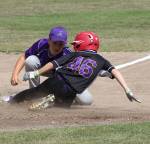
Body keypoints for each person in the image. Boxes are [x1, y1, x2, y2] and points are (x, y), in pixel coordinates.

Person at [5, 31, 140, 109]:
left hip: (57, 80)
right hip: (72, 90)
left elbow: (53, 64)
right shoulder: (102, 61)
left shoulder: (73, 54)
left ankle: (14, 100)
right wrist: (127, 90)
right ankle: (51, 101)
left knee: (34, 92)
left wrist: (35, 73)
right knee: (62, 106)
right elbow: (115, 71)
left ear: (82, 45)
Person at [5, 27, 93, 105]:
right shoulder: (41, 44)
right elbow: (24, 56)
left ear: (65, 44)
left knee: (87, 100)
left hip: (58, 77)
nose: (57, 46)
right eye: (55, 43)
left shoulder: (67, 54)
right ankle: (33, 95)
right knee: (31, 60)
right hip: (40, 70)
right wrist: (15, 75)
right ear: (49, 40)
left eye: (61, 44)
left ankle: (59, 98)